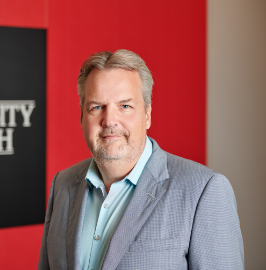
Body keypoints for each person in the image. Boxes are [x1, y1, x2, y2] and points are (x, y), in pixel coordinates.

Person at [38, 49, 244, 270]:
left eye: (125, 106)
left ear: (147, 114)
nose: (109, 120)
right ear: (81, 117)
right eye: (96, 107)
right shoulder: (63, 184)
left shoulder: (204, 191)